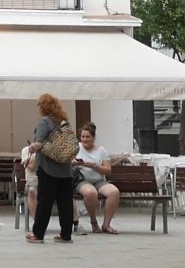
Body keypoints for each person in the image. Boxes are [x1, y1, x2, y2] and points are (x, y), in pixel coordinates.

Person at [26, 92, 78, 244]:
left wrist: (32, 147)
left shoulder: (44, 122)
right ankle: (66, 235)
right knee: (65, 203)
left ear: (42, 107)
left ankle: (38, 234)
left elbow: (40, 143)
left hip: (49, 169)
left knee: (45, 203)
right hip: (66, 170)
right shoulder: (63, 121)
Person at [73, 123, 121, 234]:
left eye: (87, 137)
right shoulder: (76, 148)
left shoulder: (101, 150)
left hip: (99, 180)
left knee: (114, 192)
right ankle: (93, 222)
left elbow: (108, 170)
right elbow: (67, 162)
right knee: (90, 193)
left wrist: (94, 166)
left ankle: (106, 225)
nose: (84, 139)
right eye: (82, 137)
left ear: (93, 137)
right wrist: (74, 163)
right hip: (82, 180)